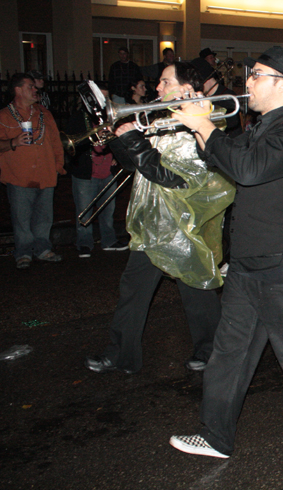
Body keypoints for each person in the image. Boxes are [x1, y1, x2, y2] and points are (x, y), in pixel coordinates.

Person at [169, 46, 283, 459]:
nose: (248, 81)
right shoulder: (261, 127)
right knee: (228, 351)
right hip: (248, 261)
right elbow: (225, 160)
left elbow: (248, 170)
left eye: (257, 74)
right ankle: (216, 436)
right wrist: (200, 126)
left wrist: (206, 127)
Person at [84, 61, 235, 375]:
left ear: (186, 88)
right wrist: (116, 138)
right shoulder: (162, 118)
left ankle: (213, 351)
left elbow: (174, 177)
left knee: (197, 290)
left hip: (184, 224)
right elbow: (137, 165)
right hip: (152, 222)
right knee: (133, 290)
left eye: (165, 82)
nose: (157, 87)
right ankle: (121, 354)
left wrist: (134, 141)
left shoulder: (204, 121)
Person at [0, 73, 65, 269]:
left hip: (46, 174)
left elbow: (56, 142)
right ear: (18, 90)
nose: (35, 90)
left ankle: (42, 249)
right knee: (21, 219)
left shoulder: (44, 114)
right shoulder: (2, 117)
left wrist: (58, 166)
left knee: (44, 218)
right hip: (19, 177)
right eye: (30, 86)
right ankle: (23, 253)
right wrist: (13, 142)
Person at [66, 82, 127, 257]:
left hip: (108, 170)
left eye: (105, 98)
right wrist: (93, 137)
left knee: (108, 211)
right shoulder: (79, 117)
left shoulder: (110, 116)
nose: (102, 101)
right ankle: (84, 243)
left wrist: (117, 155)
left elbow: (119, 140)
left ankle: (109, 240)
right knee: (84, 211)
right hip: (86, 172)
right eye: (99, 97)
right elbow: (72, 145)